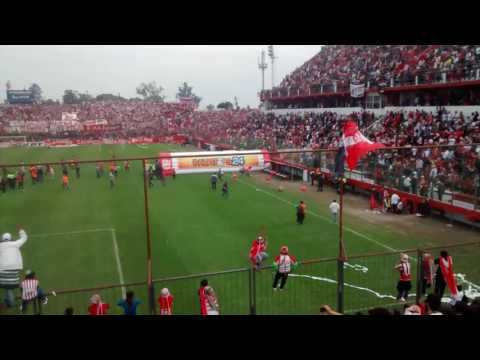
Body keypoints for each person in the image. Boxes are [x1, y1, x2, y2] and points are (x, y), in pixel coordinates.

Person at [0, 228, 28, 308]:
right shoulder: (15, 243)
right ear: (10, 238)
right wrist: (21, 231)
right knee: (8, 287)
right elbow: (24, 238)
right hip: (14, 268)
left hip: (3, 269)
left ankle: (11, 303)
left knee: (7, 287)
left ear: (3, 238)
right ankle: (7, 301)